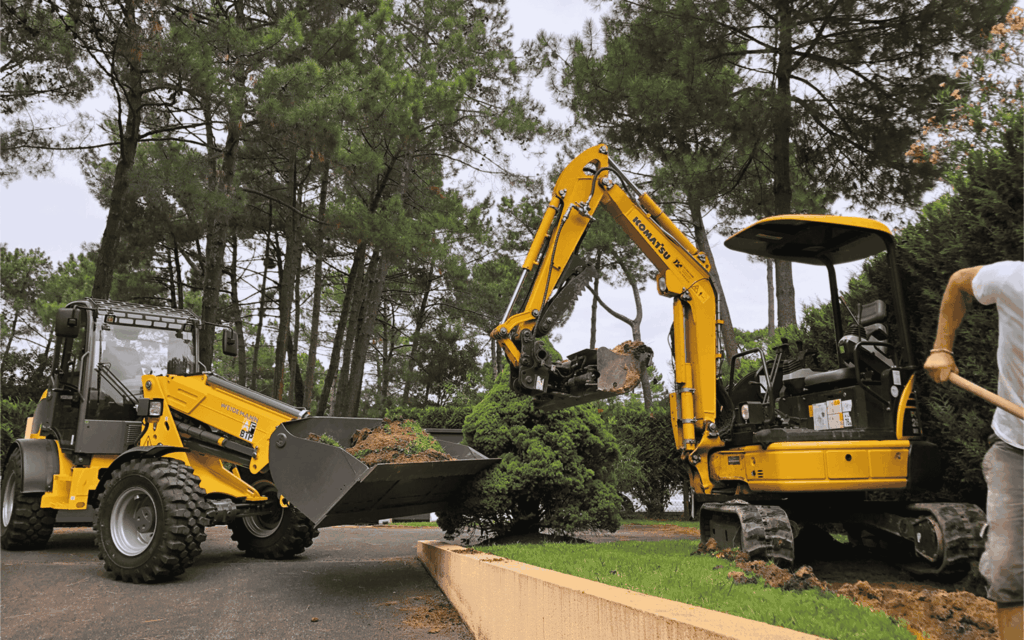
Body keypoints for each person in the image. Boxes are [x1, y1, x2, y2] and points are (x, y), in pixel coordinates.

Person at [923, 261, 1022, 640]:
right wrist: (942, 348)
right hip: (1016, 449)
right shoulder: (1013, 280)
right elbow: (958, 283)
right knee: (1008, 570)